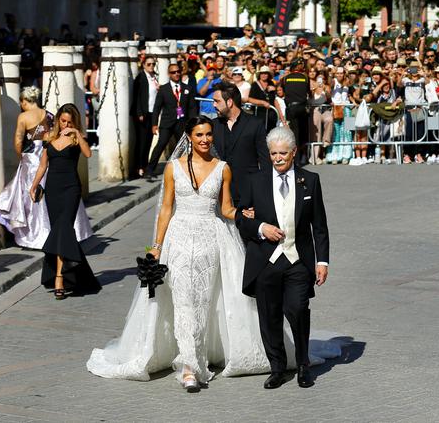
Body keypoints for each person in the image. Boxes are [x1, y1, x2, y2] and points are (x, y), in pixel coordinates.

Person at [87, 117, 298, 389]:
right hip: (179, 239)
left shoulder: (223, 168)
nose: (205, 140)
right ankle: (190, 366)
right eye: (199, 134)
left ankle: (201, 354)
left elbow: (225, 209)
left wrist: (245, 214)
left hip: (211, 240)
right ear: (189, 136)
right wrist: (156, 246)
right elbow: (165, 209)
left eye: (209, 134)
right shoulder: (172, 168)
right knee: (184, 300)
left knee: (203, 300)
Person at [236, 127, 330, 389]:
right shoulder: (255, 181)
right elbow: (240, 219)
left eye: (282, 153)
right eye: (273, 153)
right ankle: (277, 368)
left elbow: (319, 226)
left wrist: (322, 262)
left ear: (293, 153)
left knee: (297, 309)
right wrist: (259, 228)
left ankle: (302, 365)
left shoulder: (309, 181)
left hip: (297, 259)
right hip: (265, 260)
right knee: (269, 316)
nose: (277, 158)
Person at [0, 87, 91, 249]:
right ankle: (53, 235)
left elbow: (18, 141)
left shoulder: (23, 117)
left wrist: (21, 157)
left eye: (21, 102)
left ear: (25, 101)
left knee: (29, 199)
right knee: (46, 196)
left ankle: (34, 234)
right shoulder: (49, 114)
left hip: (32, 157)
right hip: (49, 154)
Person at [28, 104, 101, 298]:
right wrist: (34, 185)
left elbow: (88, 154)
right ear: (58, 119)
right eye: (63, 121)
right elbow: (43, 166)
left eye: (69, 121)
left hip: (71, 189)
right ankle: (79, 276)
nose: (66, 124)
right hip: (53, 191)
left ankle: (59, 277)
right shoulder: (49, 138)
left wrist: (76, 131)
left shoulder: (76, 138)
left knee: (64, 229)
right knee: (61, 233)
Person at [211, 85, 272, 202]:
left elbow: (265, 160)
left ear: (229, 102)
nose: (214, 105)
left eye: (217, 101)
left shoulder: (255, 124)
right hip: (219, 193)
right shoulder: (213, 125)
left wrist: (265, 191)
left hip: (247, 192)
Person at [146, 62, 197, 179]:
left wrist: (192, 123)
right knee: (161, 144)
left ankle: (187, 169)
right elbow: (157, 108)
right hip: (167, 123)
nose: (177, 74)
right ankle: (149, 170)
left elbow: (192, 107)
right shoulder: (163, 89)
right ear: (169, 74)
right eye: (173, 72)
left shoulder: (187, 88)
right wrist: (154, 124)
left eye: (178, 71)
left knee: (185, 146)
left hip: (182, 123)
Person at [131, 56, 160, 178]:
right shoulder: (141, 77)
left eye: (153, 64)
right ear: (143, 65)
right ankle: (138, 167)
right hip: (142, 113)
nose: (151, 66)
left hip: (152, 112)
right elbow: (136, 96)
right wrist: (139, 113)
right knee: (141, 142)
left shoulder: (154, 77)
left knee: (148, 141)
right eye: (149, 64)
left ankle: (144, 165)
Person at [280, 62, 311, 167]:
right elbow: (308, 92)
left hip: (291, 108)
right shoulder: (305, 77)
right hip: (302, 108)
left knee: (293, 135)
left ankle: (295, 160)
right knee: (303, 133)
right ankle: (302, 157)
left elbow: (284, 92)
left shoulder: (286, 78)